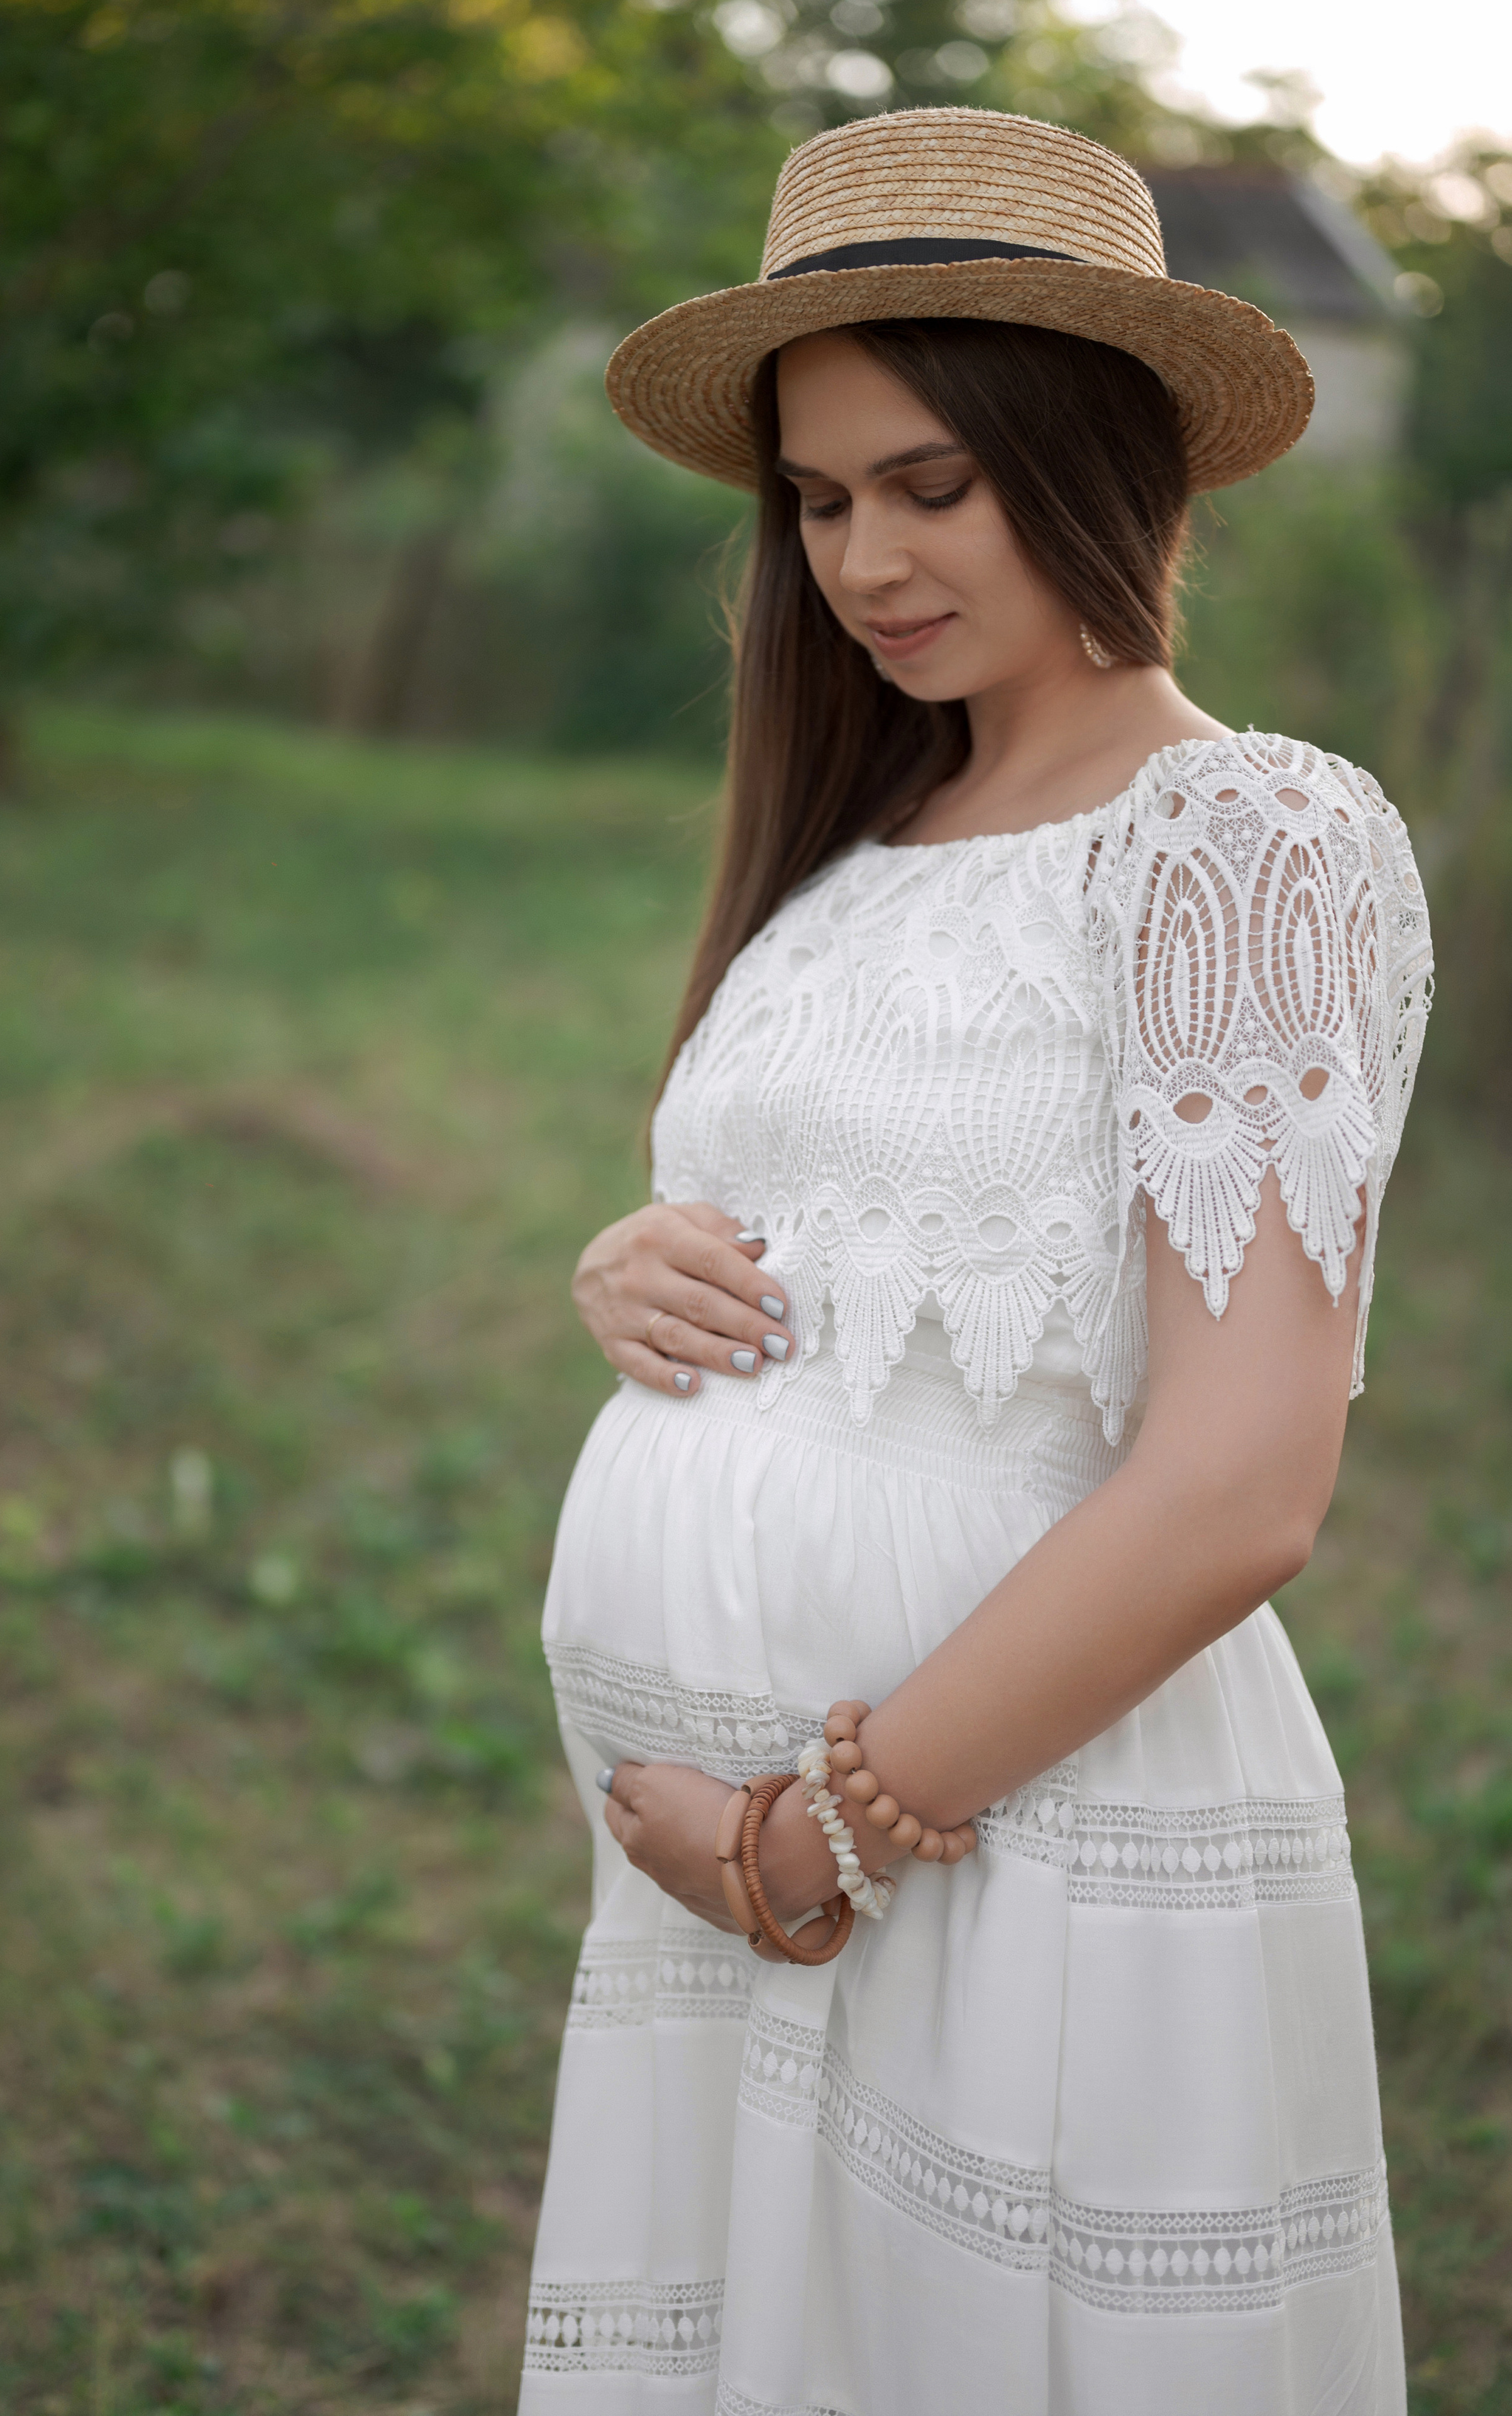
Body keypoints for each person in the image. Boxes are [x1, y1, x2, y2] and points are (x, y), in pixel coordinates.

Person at [519, 106, 1432, 2415]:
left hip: (1006, 1851)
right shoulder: (865, 833)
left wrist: (814, 1833)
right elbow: (854, 1212)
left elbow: (1243, 1478)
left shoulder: (1242, 834)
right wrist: (638, 1263)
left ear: (1101, 450)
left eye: (930, 481)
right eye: (820, 500)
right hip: (741, 1887)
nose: (863, 557)